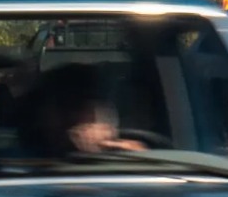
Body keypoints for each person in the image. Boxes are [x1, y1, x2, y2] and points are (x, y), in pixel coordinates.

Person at [14, 63, 148, 157]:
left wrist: (114, 147)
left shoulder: (116, 151)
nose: (71, 117)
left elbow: (152, 167)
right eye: (63, 105)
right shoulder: (16, 163)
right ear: (41, 112)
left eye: (79, 106)